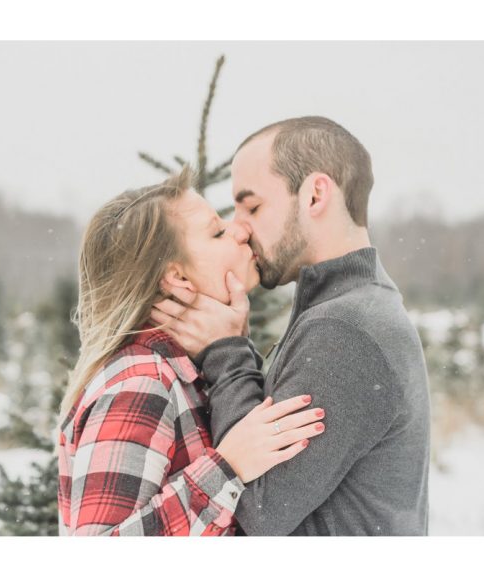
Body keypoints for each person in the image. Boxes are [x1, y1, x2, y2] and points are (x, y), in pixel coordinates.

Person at [151, 116, 431, 536]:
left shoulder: (345, 329)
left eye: (253, 206)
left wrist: (226, 351)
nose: (239, 228)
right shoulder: (350, 308)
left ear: (315, 195)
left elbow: (258, 507)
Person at [56, 167, 326, 536]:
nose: (241, 230)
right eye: (217, 232)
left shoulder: (186, 371)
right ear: (177, 278)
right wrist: (228, 466)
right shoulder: (141, 383)